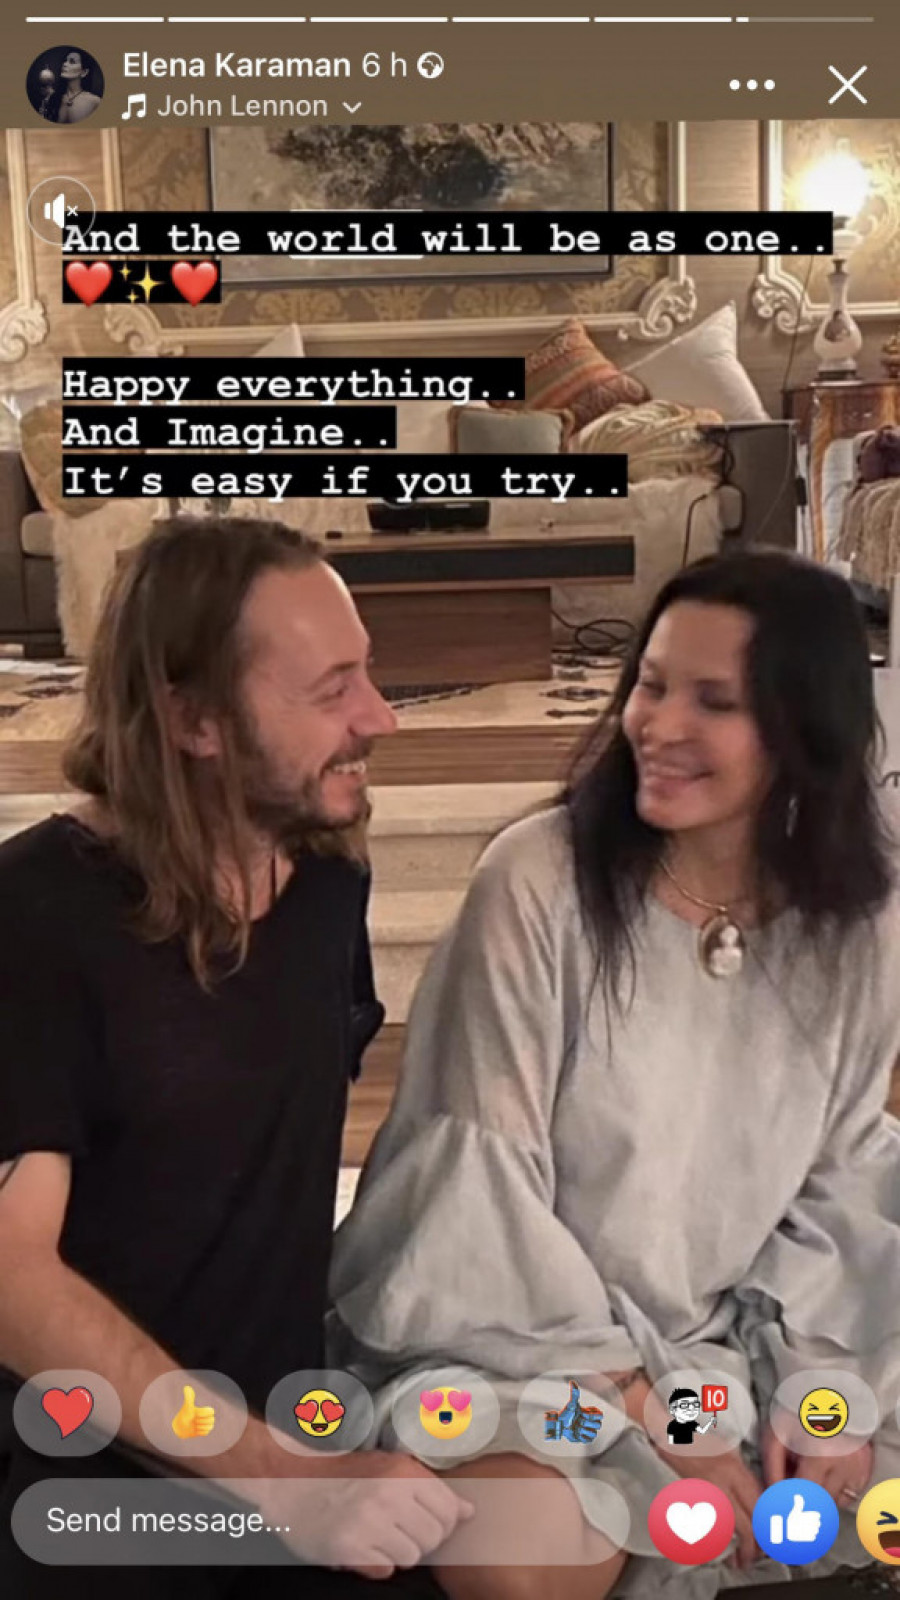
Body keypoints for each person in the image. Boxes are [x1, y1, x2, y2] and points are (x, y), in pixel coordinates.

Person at [328, 548, 900, 1598]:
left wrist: (822, 1390)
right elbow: (476, 1199)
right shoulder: (536, 881)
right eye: (651, 683)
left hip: (744, 1330)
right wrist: (666, 1417)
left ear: (805, 728)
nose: (658, 724)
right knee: (524, 1549)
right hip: (526, 1343)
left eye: (714, 702)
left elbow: (847, 1171)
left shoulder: (863, 918)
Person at [0, 516, 471, 1597]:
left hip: (287, 1428)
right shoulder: (32, 919)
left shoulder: (328, 878)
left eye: (369, 674)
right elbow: (11, 1275)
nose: (381, 717)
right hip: (85, 1469)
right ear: (192, 719)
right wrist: (277, 1478)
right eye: (332, 690)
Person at [56, 49, 102, 124]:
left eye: (72, 62)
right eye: (65, 61)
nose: (64, 64)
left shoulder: (95, 101)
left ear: (84, 72)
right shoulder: (54, 98)